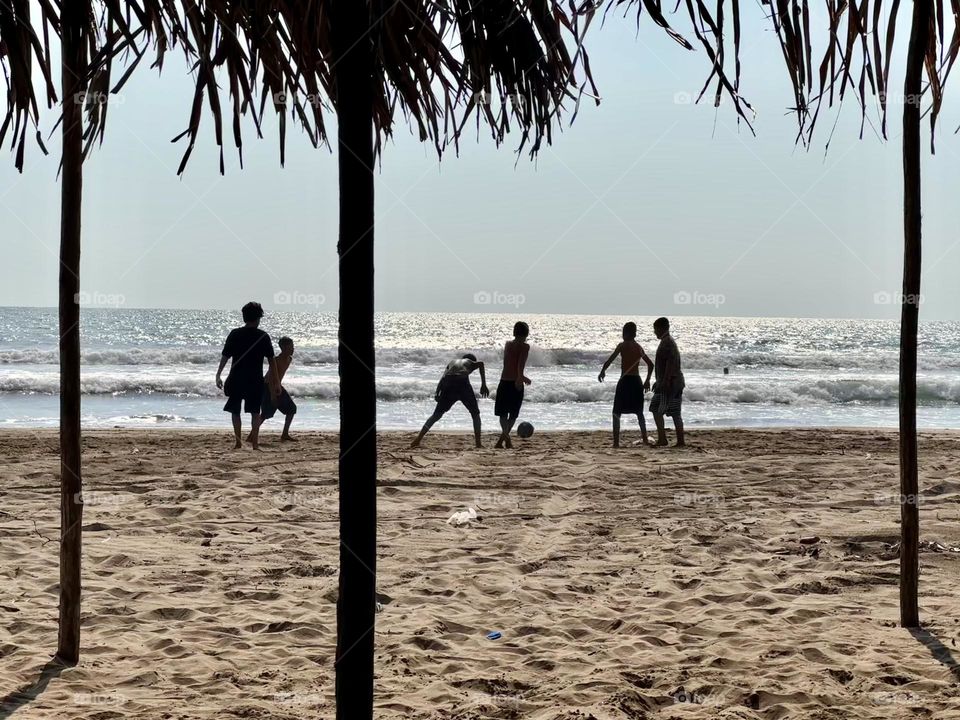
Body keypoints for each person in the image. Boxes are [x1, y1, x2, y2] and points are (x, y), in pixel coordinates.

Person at [215, 302, 279, 450]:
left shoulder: (235, 334)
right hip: (255, 380)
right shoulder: (263, 336)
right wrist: (276, 383)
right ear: (258, 318)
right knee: (255, 413)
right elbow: (272, 362)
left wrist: (218, 374)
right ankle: (255, 445)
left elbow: (225, 356)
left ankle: (238, 443)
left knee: (235, 410)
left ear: (244, 317)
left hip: (236, 378)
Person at [411, 354, 489, 448]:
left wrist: (437, 392)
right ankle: (478, 443)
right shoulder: (469, 361)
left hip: (448, 383)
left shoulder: (452, 362)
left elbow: (443, 378)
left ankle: (418, 439)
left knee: (436, 415)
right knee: (475, 413)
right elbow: (481, 364)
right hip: (462, 383)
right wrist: (483, 384)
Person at [598, 321, 654, 447]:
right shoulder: (639, 347)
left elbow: (610, 360)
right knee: (639, 412)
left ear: (626, 333)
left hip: (625, 381)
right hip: (637, 381)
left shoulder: (622, 346)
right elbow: (650, 364)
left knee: (616, 412)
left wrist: (602, 371)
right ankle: (644, 439)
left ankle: (616, 443)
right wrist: (647, 380)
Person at [494, 321, 531, 449]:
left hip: (504, 380)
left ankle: (503, 440)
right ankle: (504, 440)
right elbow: (520, 365)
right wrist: (520, 378)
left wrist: (521, 376)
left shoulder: (508, 344)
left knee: (503, 413)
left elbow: (507, 363)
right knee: (513, 414)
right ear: (526, 333)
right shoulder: (525, 347)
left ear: (515, 331)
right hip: (516, 382)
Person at [650, 316, 685, 447]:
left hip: (670, 383)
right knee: (675, 412)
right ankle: (679, 441)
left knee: (656, 408)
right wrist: (658, 380)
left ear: (661, 328)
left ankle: (663, 439)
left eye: (655, 329)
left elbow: (670, 364)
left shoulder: (667, 343)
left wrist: (664, 381)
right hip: (673, 382)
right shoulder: (667, 341)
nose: (654, 332)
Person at [259, 336, 298, 442]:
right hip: (267, 386)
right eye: (290, 347)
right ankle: (251, 436)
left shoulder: (289, 359)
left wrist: (278, 388)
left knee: (292, 409)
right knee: (266, 413)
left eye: (293, 346)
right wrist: (272, 395)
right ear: (283, 348)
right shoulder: (275, 361)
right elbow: (270, 379)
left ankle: (285, 434)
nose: (293, 349)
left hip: (277, 386)